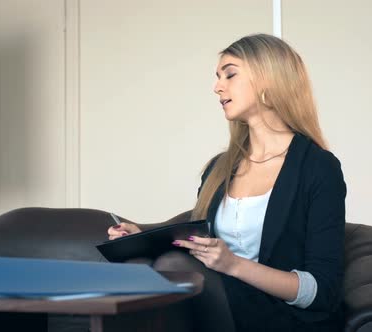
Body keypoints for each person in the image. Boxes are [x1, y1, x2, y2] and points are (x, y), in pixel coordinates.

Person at [108, 34, 346, 332]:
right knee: (145, 266)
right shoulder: (220, 169)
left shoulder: (318, 167)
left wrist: (233, 264)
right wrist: (142, 234)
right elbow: (199, 235)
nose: (217, 86)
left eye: (230, 74)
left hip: (281, 317)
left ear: (268, 79)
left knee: (176, 270)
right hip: (219, 305)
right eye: (218, 77)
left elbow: (320, 291)